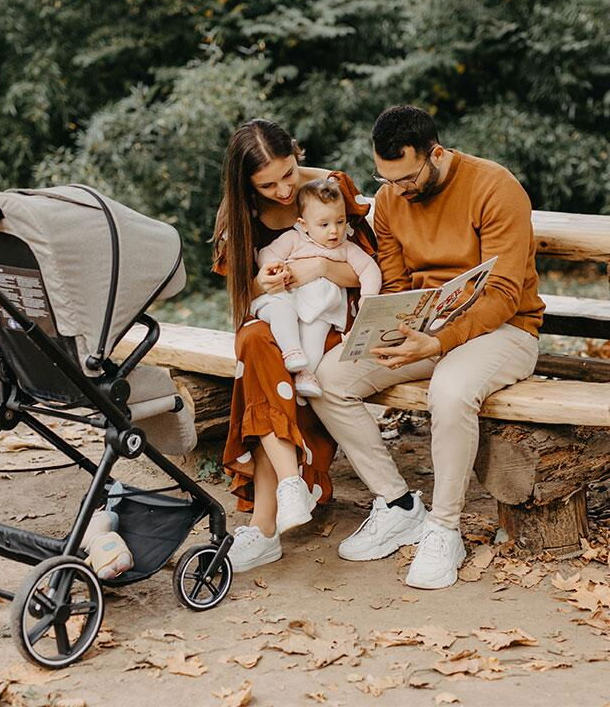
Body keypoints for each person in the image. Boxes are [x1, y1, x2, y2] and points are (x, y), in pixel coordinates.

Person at [311, 105, 545, 589]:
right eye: (385, 178)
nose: (397, 189)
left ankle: (444, 528)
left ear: (436, 154)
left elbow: (503, 294)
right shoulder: (389, 198)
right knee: (328, 379)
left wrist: (437, 342)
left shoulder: (495, 187)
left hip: (505, 331)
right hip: (426, 329)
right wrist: (391, 331)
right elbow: (397, 284)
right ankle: (399, 506)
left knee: (451, 390)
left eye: (407, 178)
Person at [211, 118, 377, 572]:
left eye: (288, 173)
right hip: (279, 325)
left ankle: (265, 524)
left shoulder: (329, 189)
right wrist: (263, 283)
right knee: (257, 343)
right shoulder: (239, 215)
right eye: (267, 185)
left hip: (330, 320)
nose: (283, 190)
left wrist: (319, 269)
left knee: (262, 360)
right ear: (246, 183)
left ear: (296, 154)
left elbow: (366, 270)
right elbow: (243, 292)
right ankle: (289, 485)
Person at [251, 178, 382, 398]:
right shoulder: (294, 239)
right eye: (324, 225)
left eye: (340, 221)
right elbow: (267, 253)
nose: (334, 231)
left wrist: (367, 298)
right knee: (282, 312)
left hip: (320, 309)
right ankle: (291, 351)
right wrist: (274, 266)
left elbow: (369, 269)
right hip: (287, 296)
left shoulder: (345, 248)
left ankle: (305, 373)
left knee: (315, 336)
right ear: (304, 224)